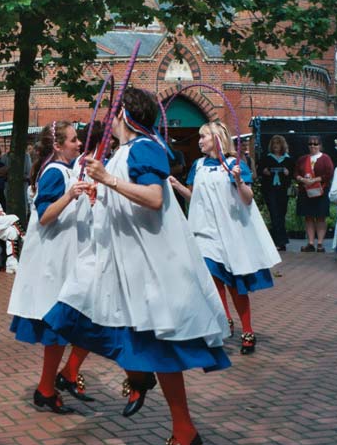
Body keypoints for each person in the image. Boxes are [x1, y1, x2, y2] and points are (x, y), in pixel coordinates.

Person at [46, 91, 230, 445]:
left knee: (157, 346)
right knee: (81, 316)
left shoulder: (145, 147)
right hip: (120, 261)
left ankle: (180, 426)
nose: (108, 119)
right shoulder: (124, 151)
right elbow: (125, 198)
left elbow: (154, 198)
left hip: (149, 263)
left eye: (113, 112)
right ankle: (141, 381)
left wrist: (108, 181)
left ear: (125, 116)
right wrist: (100, 194)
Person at [7, 121, 96, 415]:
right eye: (73, 140)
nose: (79, 144)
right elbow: (44, 216)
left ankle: (55, 382)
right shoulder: (54, 172)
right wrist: (70, 196)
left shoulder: (67, 170)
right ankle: (54, 384)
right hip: (55, 261)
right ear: (58, 146)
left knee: (76, 323)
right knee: (70, 324)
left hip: (68, 257)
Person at [170, 121, 281, 356]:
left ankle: (247, 331)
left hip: (230, 233)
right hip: (204, 232)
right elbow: (195, 197)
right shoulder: (198, 165)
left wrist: (239, 181)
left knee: (234, 285)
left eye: (203, 136)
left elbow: (248, 199)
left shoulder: (234, 165)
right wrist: (177, 185)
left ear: (217, 138)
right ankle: (225, 319)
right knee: (212, 278)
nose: (200, 141)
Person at [294, 136, 334, 252]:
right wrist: (302, 179)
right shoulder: (302, 159)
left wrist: (314, 180)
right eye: (310, 144)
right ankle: (310, 243)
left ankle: (320, 243)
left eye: (315, 144)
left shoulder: (325, 158)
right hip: (305, 191)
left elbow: (329, 173)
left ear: (320, 145)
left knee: (321, 217)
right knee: (308, 217)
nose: (312, 146)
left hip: (320, 191)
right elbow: (295, 172)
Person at [258, 135, 294, 251]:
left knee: (281, 214)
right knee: (274, 214)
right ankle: (278, 241)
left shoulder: (288, 159)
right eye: (274, 144)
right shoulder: (266, 158)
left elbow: (293, 173)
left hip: (283, 190)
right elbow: (259, 171)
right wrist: (264, 171)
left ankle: (280, 241)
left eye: (278, 143)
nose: (275, 146)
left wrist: (288, 173)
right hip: (270, 190)